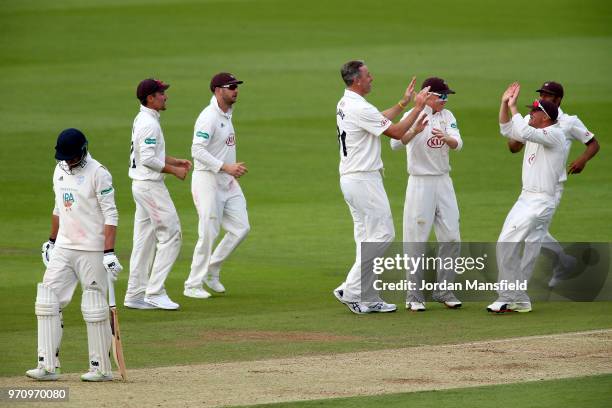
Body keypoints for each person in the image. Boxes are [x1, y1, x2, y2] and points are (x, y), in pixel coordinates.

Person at [333, 60, 432, 314]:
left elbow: (379, 121)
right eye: (367, 75)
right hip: (363, 179)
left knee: (366, 238)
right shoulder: (358, 107)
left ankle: (367, 295)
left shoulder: (346, 102)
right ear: (356, 80)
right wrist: (418, 107)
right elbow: (397, 132)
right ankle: (351, 289)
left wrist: (403, 103)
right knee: (383, 234)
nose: (372, 78)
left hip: (352, 178)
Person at [27, 128, 122, 382]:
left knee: (94, 305)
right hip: (65, 248)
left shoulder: (98, 173)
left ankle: (100, 368)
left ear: (83, 149)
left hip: (92, 249)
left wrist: (109, 251)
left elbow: (111, 214)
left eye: (72, 156)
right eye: (64, 157)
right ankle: (48, 366)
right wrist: (51, 240)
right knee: (47, 300)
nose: (68, 161)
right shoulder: (59, 169)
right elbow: (58, 207)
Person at [506, 81, 600, 287]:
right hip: (531, 186)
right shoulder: (535, 116)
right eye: (541, 94)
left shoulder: (568, 122)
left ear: (558, 99)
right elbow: (513, 147)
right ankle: (565, 263)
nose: (542, 98)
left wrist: (583, 159)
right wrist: (521, 133)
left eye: (547, 95)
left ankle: (517, 289)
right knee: (533, 232)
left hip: (552, 186)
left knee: (533, 234)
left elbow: (593, 143)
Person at [488, 83, 566, 313]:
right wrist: (504, 103)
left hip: (540, 201)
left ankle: (507, 296)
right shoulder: (534, 131)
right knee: (508, 244)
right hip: (526, 198)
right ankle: (519, 299)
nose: (530, 114)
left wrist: (514, 107)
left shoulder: (554, 134)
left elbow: (522, 130)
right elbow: (506, 129)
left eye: (534, 111)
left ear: (545, 117)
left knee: (507, 243)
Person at [390, 77, 463, 312]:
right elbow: (396, 144)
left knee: (452, 236)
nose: (444, 100)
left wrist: (448, 139)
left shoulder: (447, 116)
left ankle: (444, 290)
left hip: (443, 181)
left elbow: (458, 143)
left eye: (446, 96)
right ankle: (414, 295)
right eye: (441, 96)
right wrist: (414, 130)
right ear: (427, 95)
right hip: (420, 182)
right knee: (416, 239)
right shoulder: (414, 114)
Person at [124, 78, 192, 310]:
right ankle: (155, 291)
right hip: (150, 187)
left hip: (141, 185)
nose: (165, 96)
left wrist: (174, 160)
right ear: (150, 98)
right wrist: (174, 170)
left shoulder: (144, 118)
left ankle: (134, 294)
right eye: (161, 93)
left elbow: (150, 153)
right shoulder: (148, 123)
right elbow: (148, 159)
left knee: (144, 241)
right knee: (172, 234)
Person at [184, 72, 250, 298]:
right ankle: (192, 284)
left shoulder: (227, 113)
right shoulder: (208, 117)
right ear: (218, 90)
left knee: (241, 228)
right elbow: (197, 150)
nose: (235, 90)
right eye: (231, 87)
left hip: (227, 181)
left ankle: (212, 270)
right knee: (208, 232)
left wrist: (229, 170)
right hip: (207, 180)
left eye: (236, 86)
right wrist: (226, 166)